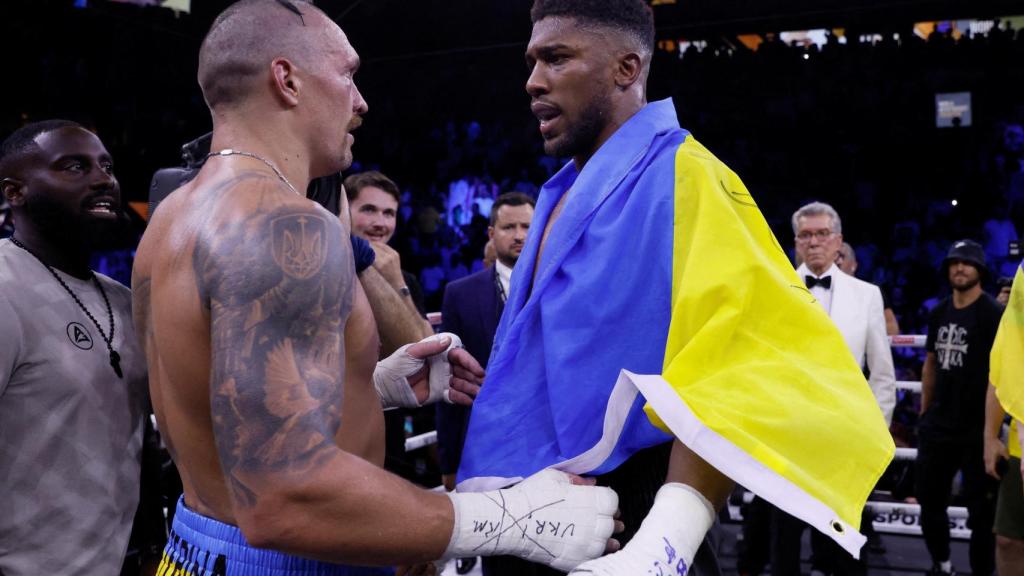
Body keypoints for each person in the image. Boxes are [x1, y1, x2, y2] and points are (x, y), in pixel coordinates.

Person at [131, 1, 620, 574]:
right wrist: (511, 519)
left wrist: (361, 383)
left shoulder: (173, 216)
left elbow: (217, 407)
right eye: (348, 74)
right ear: (287, 79)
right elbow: (283, 497)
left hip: (193, 546)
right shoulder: (287, 224)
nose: (360, 102)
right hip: (288, 560)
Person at [458, 2, 894, 575]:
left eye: (556, 58)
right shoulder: (559, 191)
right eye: (533, 60)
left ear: (626, 68)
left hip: (632, 515)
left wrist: (665, 545)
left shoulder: (688, 176)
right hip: (528, 511)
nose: (533, 80)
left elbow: (747, 361)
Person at [0, 120, 161, 574]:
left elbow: (139, 438)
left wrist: (152, 547)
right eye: (74, 167)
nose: (103, 179)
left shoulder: (124, 301)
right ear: (15, 192)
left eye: (106, 166)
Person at [768, 202, 896, 576]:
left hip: (845, 439)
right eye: (806, 235)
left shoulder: (867, 295)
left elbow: (883, 376)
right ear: (795, 243)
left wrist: (872, 432)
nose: (814, 242)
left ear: (838, 241)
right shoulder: (775, 289)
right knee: (784, 541)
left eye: (822, 234)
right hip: (787, 437)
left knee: (843, 542)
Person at [916, 239, 1003, 576]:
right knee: (929, 501)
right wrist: (924, 413)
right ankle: (943, 564)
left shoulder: (993, 314)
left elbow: (1001, 372)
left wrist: (991, 433)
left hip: (978, 428)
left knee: (982, 514)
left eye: (967, 263)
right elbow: (931, 365)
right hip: (939, 425)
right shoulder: (938, 312)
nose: (960, 268)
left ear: (979, 270)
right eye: (954, 262)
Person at [985, 262, 1024, 576]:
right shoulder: (1023, 273)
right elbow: (1003, 362)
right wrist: (989, 435)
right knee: (1009, 540)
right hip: (1019, 441)